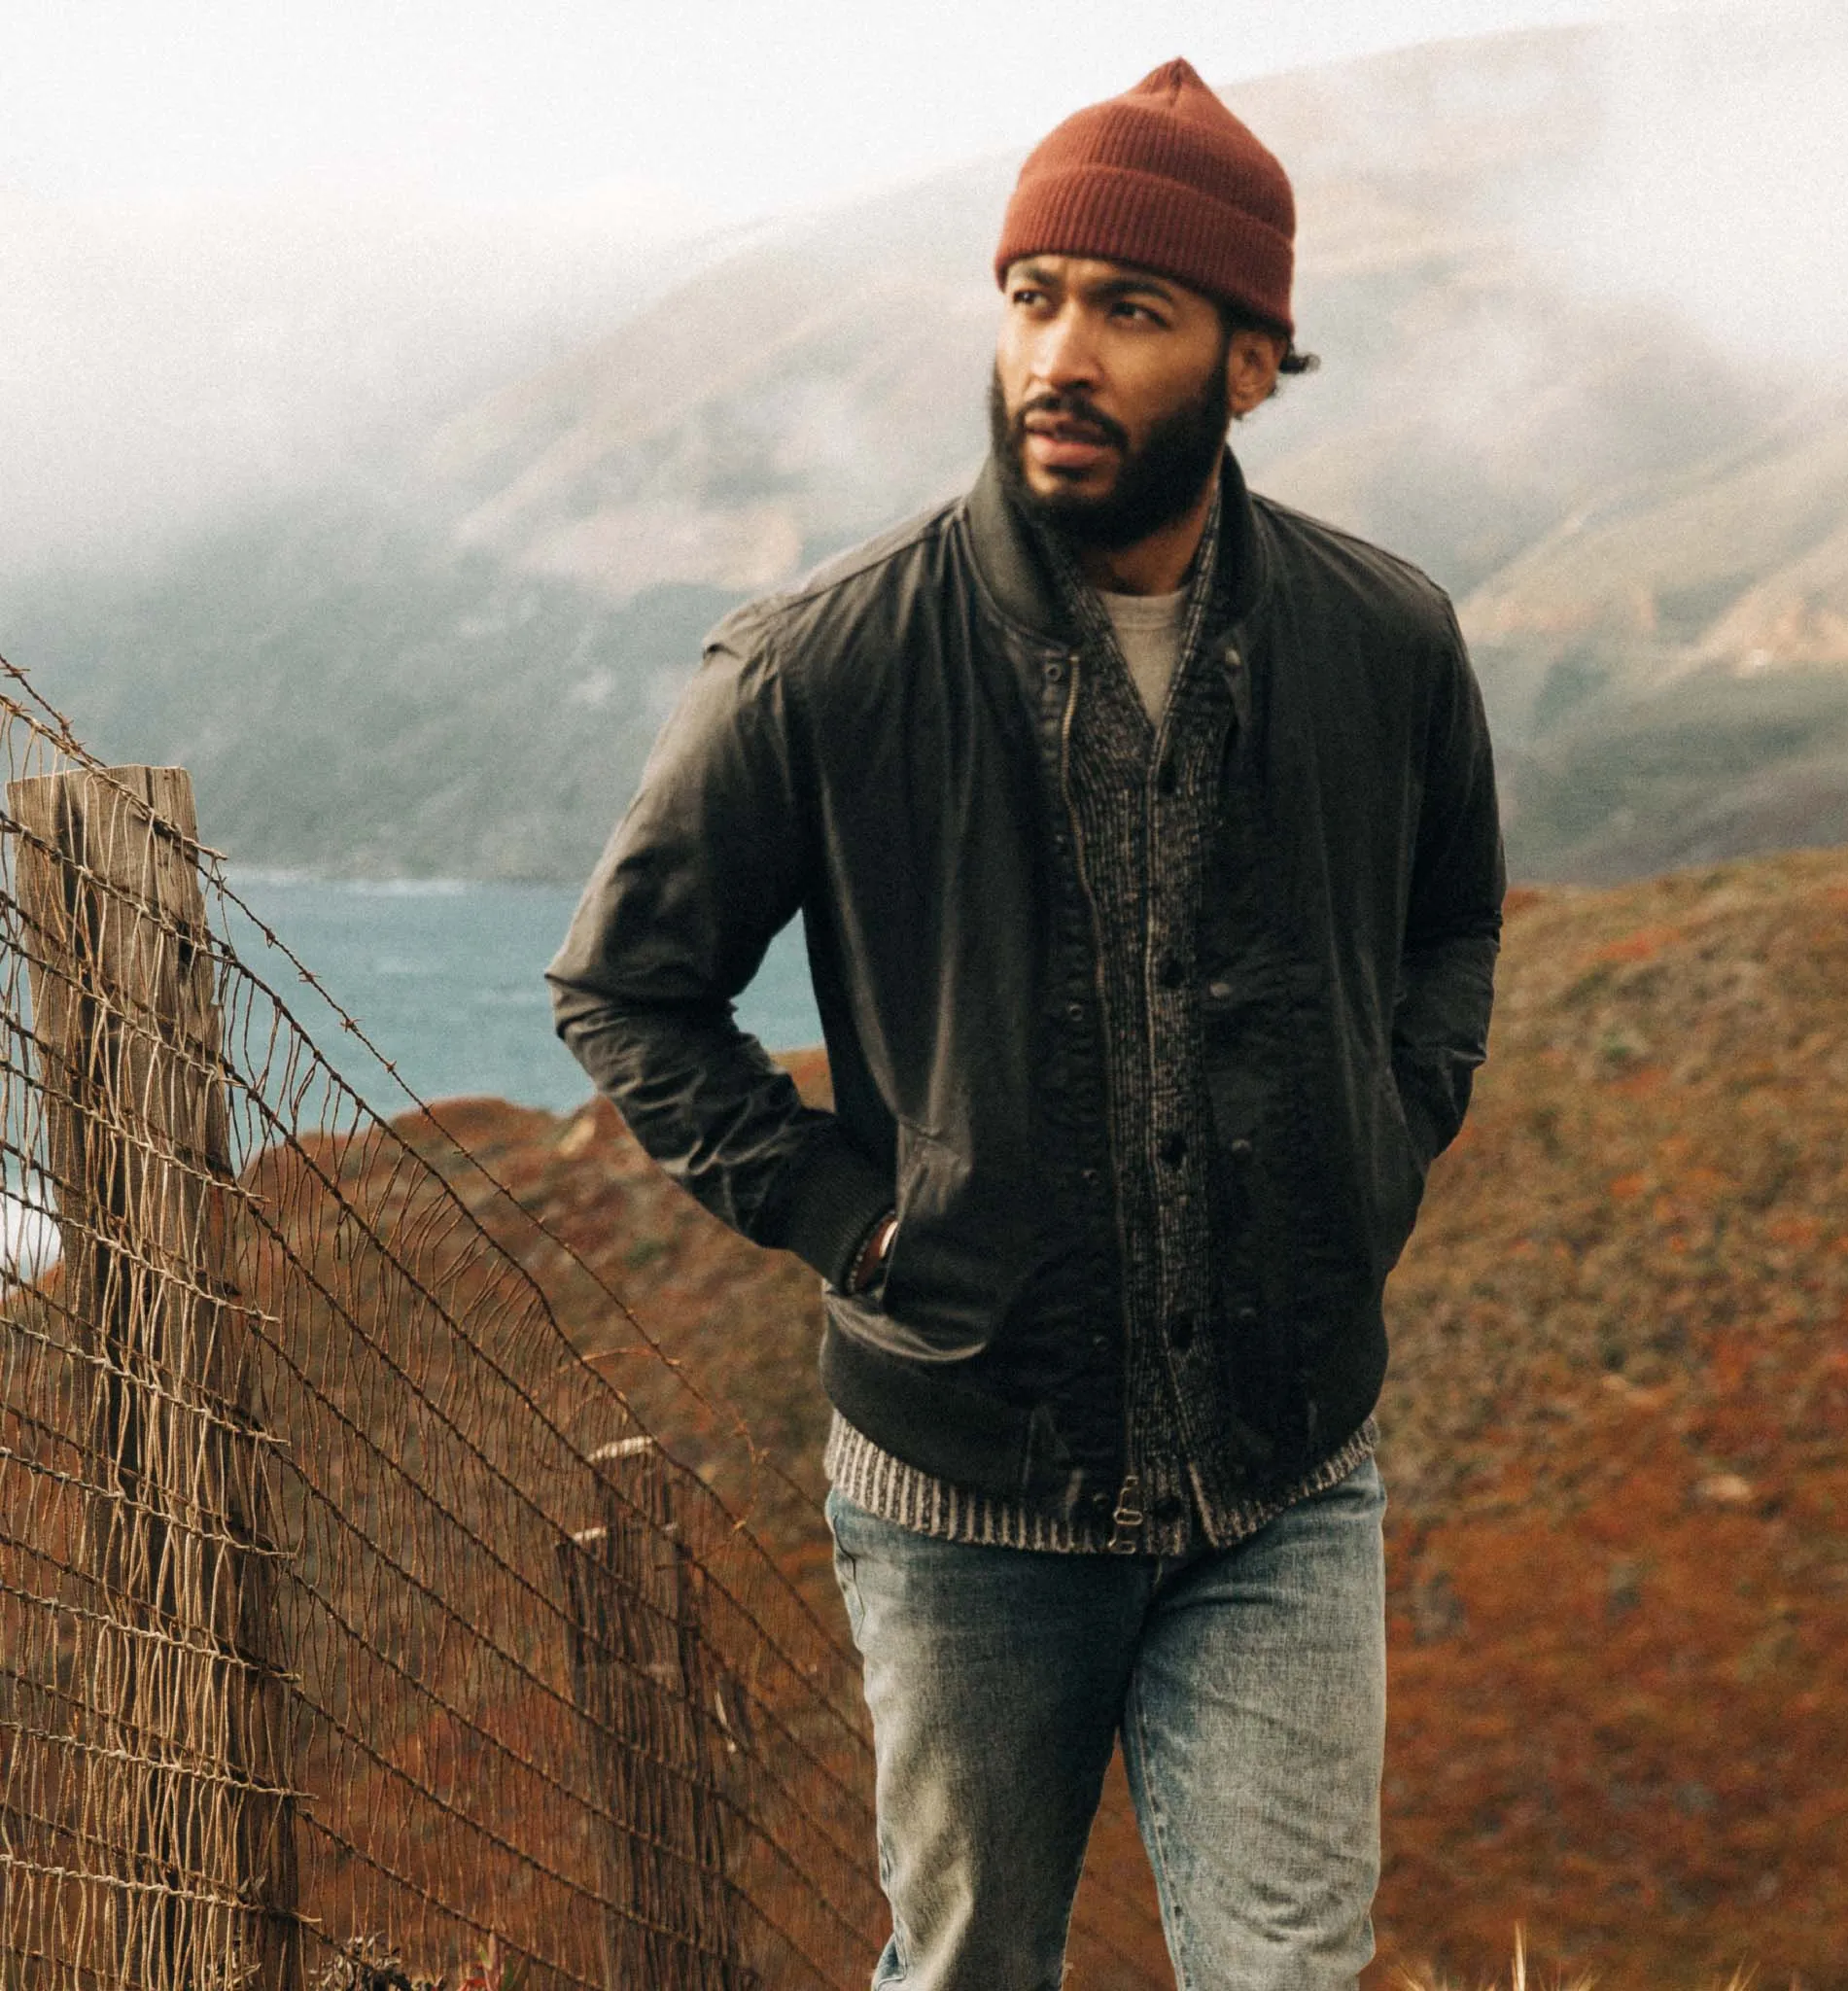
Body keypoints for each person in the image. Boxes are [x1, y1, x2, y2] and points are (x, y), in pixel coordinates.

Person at [548, 56, 1504, 1991]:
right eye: (1030, 295)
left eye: (1126, 310)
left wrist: (1377, 1142)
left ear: (1250, 361)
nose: (1057, 354)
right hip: (967, 1488)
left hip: (1286, 1481)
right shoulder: (828, 661)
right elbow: (628, 987)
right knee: (973, 1967)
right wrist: (850, 1221)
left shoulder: (1381, 640)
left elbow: (1446, 923)